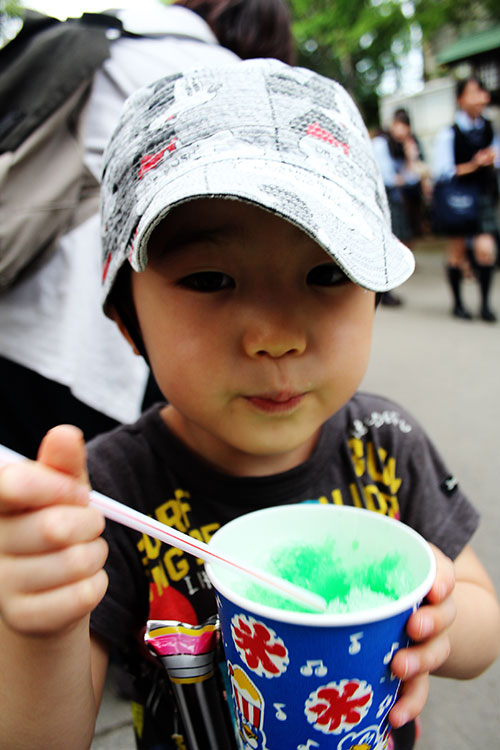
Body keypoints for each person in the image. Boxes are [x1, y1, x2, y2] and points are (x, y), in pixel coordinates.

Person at [0, 60, 499, 750]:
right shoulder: (109, 496)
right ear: (126, 320)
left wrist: (442, 620)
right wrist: (41, 627)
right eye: (211, 278)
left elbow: (483, 625)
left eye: (327, 272)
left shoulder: (387, 443)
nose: (277, 337)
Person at [0, 0, 294, 460]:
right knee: (100, 497)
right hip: (88, 343)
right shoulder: (228, 75)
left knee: (25, 503)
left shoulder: (106, 36)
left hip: (16, 305)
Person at [433, 76, 500, 322]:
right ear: (461, 99)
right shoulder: (448, 134)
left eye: (481, 92)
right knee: (457, 254)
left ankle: (484, 304)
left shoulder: (489, 128)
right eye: (473, 93)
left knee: (486, 250)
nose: (480, 98)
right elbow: (442, 171)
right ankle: (459, 304)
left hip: (482, 195)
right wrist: (473, 165)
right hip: (457, 198)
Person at [372, 109, 429, 307]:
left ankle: (386, 289)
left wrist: (410, 157)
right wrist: (406, 174)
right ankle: (381, 291)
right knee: (387, 245)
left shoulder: (403, 146)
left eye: (405, 125)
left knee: (401, 242)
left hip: (397, 199)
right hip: (381, 199)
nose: (402, 129)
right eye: (399, 124)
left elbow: (413, 175)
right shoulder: (381, 144)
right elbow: (388, 178)